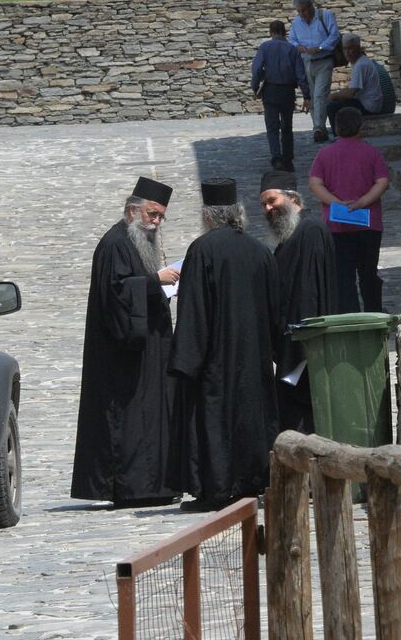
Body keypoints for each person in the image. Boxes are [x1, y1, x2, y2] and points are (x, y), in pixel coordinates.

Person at [168, 178, 282, 510]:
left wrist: (186, 359)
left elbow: (194, 312)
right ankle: (252, 483)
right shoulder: (260, 252)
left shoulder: (202, 251)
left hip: (215, 360)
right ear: (238, 214)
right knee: (251, 418)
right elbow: (276, 311)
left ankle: (217, 490)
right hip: (254, 357)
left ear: (208, 216)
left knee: (215, 423)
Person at [71, 177, 183, 507]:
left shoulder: (140, 242)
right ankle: (132, 487)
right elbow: (116, 292)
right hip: (123, 354)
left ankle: (156, 484)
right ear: (132, 210)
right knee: (129, 421)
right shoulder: (114, 243)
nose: (156, 221)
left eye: (161, 216)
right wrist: (154, 281)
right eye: (152, 214)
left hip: (148, 350)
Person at [260, 170, 337, 434]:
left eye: (272, 201)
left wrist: (302, 346)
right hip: (291, 347)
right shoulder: (288, 239)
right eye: (264, 205)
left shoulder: (311, 231)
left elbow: (311, 294)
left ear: (293, 198)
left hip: (305, 351)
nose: (268, 208)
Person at [308, 107, 389, 313]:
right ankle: (374, 312)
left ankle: (349, 314)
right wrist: (362, 202)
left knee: (343, 275)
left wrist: (336, 202)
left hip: (337, 224)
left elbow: (315, 183)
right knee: (368, 272)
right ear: (360, 127)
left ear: (335, 128)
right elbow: (382, 182)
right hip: (368, 223)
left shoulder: (325, 154)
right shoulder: (372, 152)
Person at [251, 20, 311, 172]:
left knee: (272, 126)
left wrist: (255, 87)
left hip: (270, 89)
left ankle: (276, 158)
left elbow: (257, 68)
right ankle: (288, 159)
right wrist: (306, 96)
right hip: (287, 90)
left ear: (271, 32)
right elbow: (301, 74)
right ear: (285, 32)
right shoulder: (292, 49)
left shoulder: (265, 47)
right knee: (286, 126)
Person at [287, 0, 341, 145]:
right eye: (299, 11)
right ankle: (317, 126)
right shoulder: (297, 22)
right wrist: (297, 47)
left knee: (320, 95)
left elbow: (335, 35)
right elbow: (291, 40)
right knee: (310, 95)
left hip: (324, 60)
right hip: (306, 61)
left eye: (303, 10)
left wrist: (320, 47)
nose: (302, 14)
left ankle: (319, 127)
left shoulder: (326, 16)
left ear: (311, 6)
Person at [324, 34, 384, 137]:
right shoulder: (361, 62)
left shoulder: (360, 65)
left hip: (369, 107)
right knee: (339, 102)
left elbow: (351, 93)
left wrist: (333, 96)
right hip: (369, 103)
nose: (347, 52)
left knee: (332, 107)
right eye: (345, 49)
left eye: (350, 48)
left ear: (358, 48)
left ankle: (338, 137)